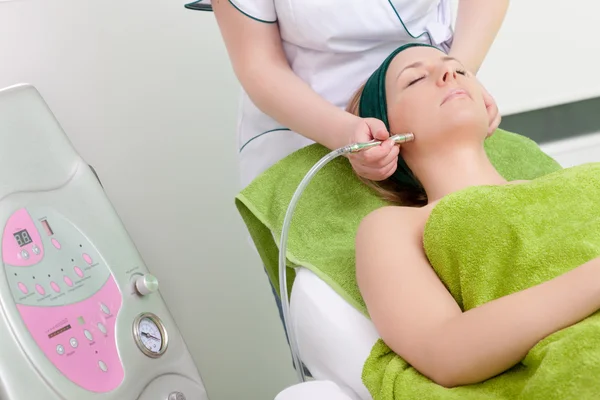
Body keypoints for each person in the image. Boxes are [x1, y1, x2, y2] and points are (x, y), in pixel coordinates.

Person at [211, 0, 509, 331]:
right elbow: (258, 64)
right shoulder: (383, 237)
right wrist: (343, 133)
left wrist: (458, 76)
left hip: (438, 103)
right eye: (414, 80)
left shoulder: (534, 177)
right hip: (309, 126)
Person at [352, 43, 600, 389]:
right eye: (415, 79)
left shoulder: (570, 184)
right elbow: (443, 351)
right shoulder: (395, 226)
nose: (449, 73)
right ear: (385, 133)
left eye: (460, 69)